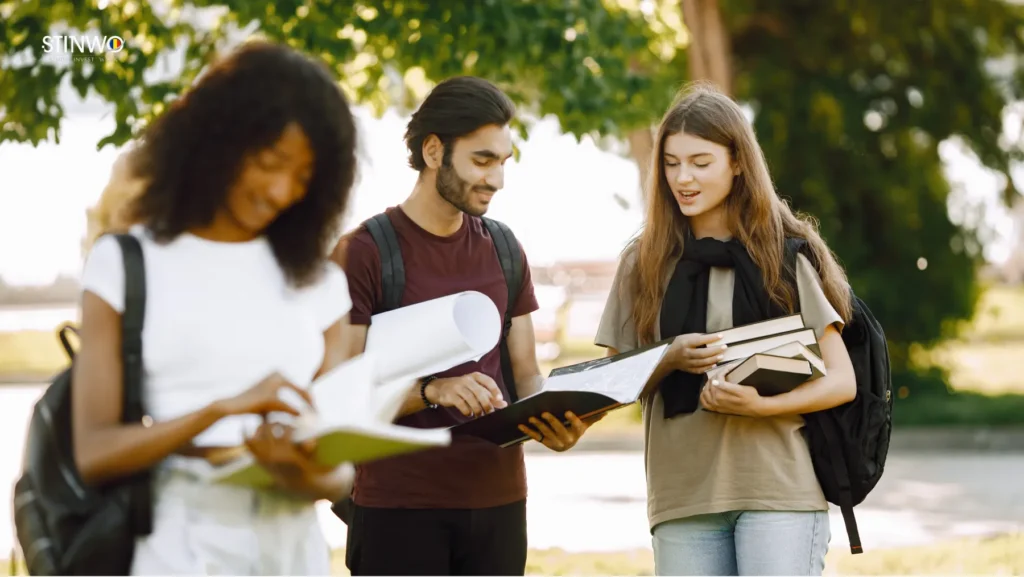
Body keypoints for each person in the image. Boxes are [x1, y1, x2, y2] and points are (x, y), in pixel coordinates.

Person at [74, 40, 359, 575]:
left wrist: (298, 468)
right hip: (177, 542)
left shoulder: (318, 281)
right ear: (219, 141)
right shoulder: (128, 262)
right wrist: (225, 409)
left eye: (302, 178)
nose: (280, 192)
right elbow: (94, 452)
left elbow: (339, 477)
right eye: (270, 162)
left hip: (292, 548)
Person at [332, 75, 598, 576]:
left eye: (502, 162)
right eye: (482, 160)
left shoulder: (503, 247)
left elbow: (524, 373)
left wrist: (555, 419)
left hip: (499, 506)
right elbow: (339, 395)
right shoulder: (364, 253)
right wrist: (434, 390)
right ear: (434, 151)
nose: (496, 179)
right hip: (398, 510)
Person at [594, 81, 858, 576]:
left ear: (737, 162)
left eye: (700, 162)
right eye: (671, 163)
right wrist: (669, 358)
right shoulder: (643, 262)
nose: (683, 178)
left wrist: (763, 406)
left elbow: (842, 380)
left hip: (778, 491)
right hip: (682, 495)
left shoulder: (783, 254)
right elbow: (613, 382)